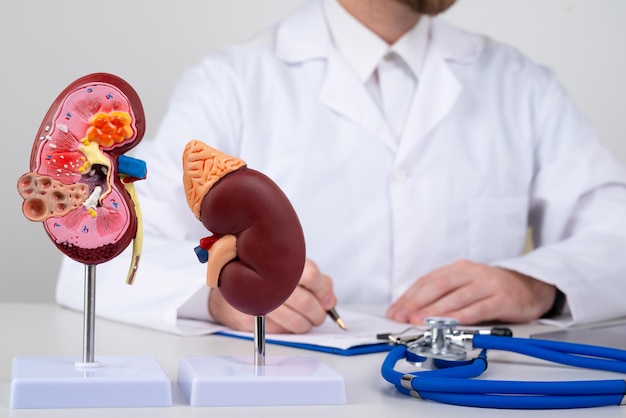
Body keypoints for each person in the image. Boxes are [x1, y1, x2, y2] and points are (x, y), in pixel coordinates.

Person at [56, 0, 626, 335]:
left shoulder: (521, 85)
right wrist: (218, 296)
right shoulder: (231, 85)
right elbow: (102, 254)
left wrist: (538, 286)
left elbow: (616, 235)